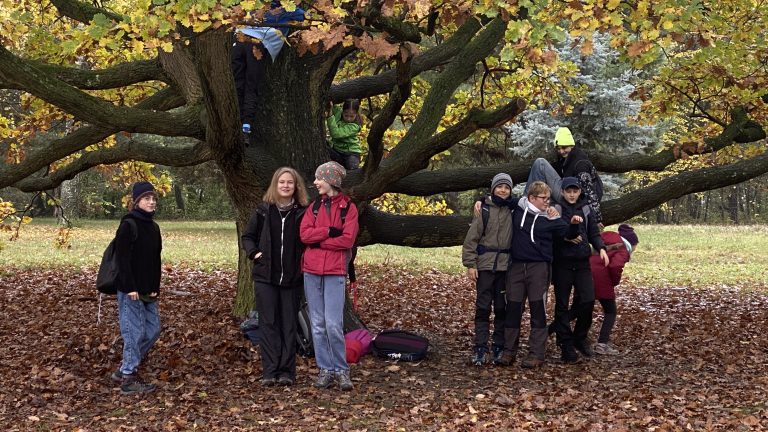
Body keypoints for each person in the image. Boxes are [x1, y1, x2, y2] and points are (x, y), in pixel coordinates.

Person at [241, 167, 309, 386]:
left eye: (290, 182)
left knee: (289, 324)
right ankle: (270, 371)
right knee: (268, 323)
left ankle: (287, 372)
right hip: (265, 277)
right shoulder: (263, 210)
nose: (286, 186)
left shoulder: (302, 212)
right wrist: (255, 254)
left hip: (292, 278)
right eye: (282, 182)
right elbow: (248, 237)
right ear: (275, 185)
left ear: (296, 186)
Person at [300, 161, 359, 391]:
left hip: (335, 271)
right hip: (311, 271)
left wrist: (319, 242)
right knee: (317, 324)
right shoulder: (313, 207)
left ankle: (341, 370)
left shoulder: (348, 208)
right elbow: (304, 235)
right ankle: (325, 369)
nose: (315, 183)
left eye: (319, 179)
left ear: (331, 180)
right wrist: (327, 232)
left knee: (333, 324)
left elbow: (347, 240)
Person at [496, 181, 568, 368]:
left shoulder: (550, 217)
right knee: (512, 308)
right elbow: (500, 199)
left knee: (538, 310)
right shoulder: (519, 209)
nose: (547, 202)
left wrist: (570, 222)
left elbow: (567, 232)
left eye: (548, 198)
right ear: (531, 198)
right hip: (517, 267)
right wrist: (480, 200)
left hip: (539, 268)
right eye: (543, 198)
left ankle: (536, 353)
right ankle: (508, 351)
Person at [110, 181, 162, 395]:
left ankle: (123, 369)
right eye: (146, 198)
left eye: (153, 199)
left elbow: (154, 259)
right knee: (134, 332)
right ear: (137, 201)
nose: (151, 202)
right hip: (129, 289)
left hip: (147, 289)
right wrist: (129, 286)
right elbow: (122, 259)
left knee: (153, 329)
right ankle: (129, 377)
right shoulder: (128, 225)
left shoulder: (153, 227)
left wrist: (154, 286)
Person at [551, 177, 608, 363]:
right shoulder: (556, 209)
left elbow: (593, 232)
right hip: (563, 264)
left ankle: (579, 337)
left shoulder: (586, 208)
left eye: (575, 191)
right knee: (561, 305)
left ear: (579, 192)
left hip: (583, 262)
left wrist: (601, 249)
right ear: (562, 192)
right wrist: (567, 236)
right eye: (568, 191)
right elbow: (552, 234)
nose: (572, 194)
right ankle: (565, 344)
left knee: (588, 300)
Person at [461, 173, 514, 366]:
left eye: (506, 188)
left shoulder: (512, 210)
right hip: (484, 266)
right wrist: (470, 264)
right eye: (499, 186)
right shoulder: (483, 210)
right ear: (493, 189)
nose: (503, 190)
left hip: (504, 268)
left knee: (501, 308)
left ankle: (498, 345)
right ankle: (480, 346)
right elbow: (471, 240)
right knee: (483, 307)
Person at [232, 2, 305, 134]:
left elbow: (301, 16)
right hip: (251, 42)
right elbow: (301, 15)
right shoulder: (285, 9)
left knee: (241, 82)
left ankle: (240, 121)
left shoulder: (279, 8)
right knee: (249, 84)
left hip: (242, 39)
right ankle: (243, 123)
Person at [526, 127, 604, 227]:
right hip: (568, 194)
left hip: (573, 197)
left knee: (540, 163)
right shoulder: (566, 158)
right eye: (558, 148)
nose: (561, 151)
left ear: (571, 145)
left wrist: (597, 219)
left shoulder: (580, 164)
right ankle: (537, 204)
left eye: (564, 147)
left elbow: (590, 192)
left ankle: (527, 202)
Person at [590, 224, 639, 355]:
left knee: (579, 308)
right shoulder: (623, 250)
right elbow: (616, 266)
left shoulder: (607, 238)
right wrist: (614, 281)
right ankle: (602, 344)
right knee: (610, 311)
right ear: (632, 243)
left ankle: (552, 331)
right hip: (602, 279)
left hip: (585, 273)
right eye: (636, 246)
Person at [326, 99, 363, 170]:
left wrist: (330, 115)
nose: (348, 119)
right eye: (346, 115)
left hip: (351, 154)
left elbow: (336, 134)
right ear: (342, 111)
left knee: (352, 166)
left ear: (356, 114)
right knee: (325, 148)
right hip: (337, 151)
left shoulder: (354, 126)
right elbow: (330, 105)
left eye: (352, 116)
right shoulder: (338, 112)